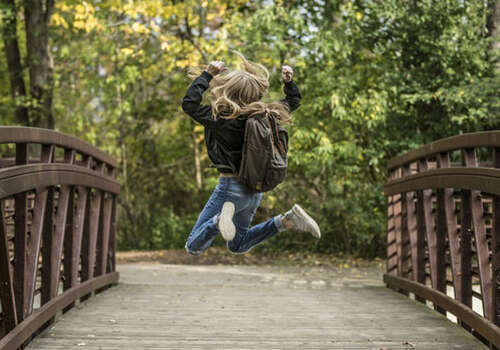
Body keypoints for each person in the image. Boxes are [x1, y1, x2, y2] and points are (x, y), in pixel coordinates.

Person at [181, 51, 321, 256]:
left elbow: (189, 104)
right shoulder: (267, 115)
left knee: (193, 246)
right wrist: (289, 83)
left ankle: (218, 220)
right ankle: (286, 221)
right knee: (238, 245)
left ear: (229, 90)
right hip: (254, 191)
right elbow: (294, 101)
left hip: (230, 189)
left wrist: (207, 75)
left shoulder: (221, 117)